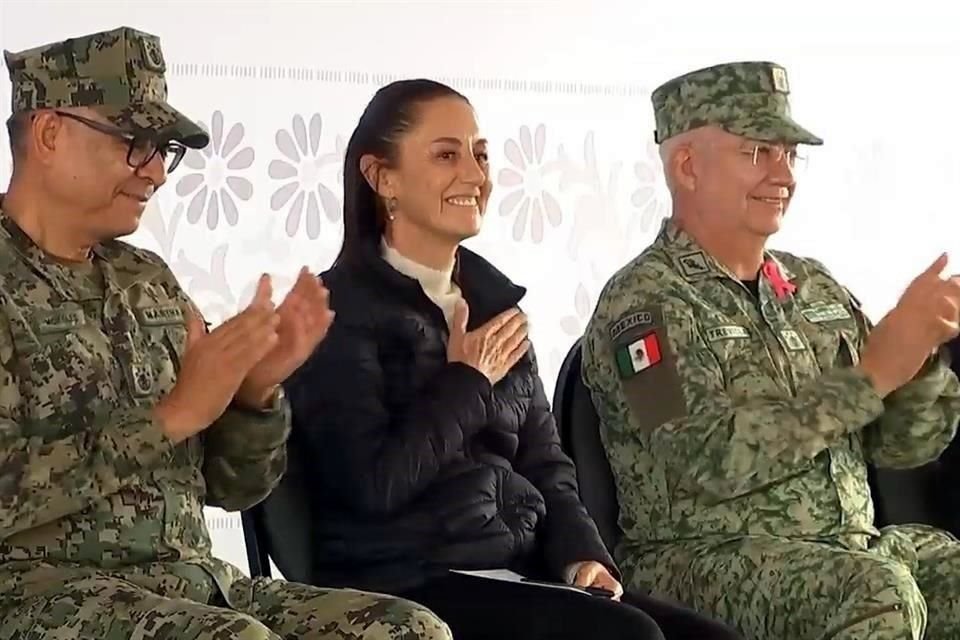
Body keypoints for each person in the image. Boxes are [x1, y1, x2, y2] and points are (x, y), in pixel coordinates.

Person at [0, 26, 451, 640]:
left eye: (164, 148)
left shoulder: (148, 281)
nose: (156, 171)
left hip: (192, 582)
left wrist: (254, 395)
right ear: (50, 133)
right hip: (38, 594)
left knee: (409, 631)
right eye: (136, 142)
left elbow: (235, 488)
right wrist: (171, 416)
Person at [284, 77, 744, 640]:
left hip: (513, 567)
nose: (475, 176)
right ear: (383, 177)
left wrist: (581, 558)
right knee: (628, 637)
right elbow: (371, 485)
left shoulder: (493, 304)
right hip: (403, 578)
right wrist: (466, 380)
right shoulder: (336, 312)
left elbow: (546, 464)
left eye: (480, 154)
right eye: (446, 155)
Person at [581, 60, 960, 640]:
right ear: (687, 166)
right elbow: (702, 463)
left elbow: (905, 446)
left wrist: (920, 359)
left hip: (845, 550)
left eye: (789, 153)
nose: (784, 173)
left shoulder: (813, 286)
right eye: (759, 151)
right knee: (878, 592)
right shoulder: (643, 304)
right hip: (697, 560)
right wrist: (872, 375)